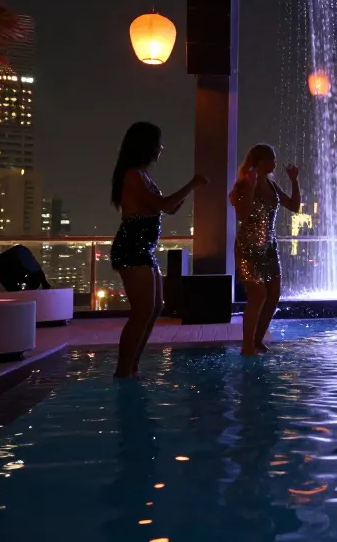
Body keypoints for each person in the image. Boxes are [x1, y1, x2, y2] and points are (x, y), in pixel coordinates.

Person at [109, 122, 206, 378]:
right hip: (132, 247)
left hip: (144, 248)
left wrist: (188, 190)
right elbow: (163, 204)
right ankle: (123, 370)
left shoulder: (143, 175)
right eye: (158, 143)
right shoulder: (132, 175)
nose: (161, 148)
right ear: (146, 146)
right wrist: (192, 184)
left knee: (155, 308)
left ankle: (132, 366)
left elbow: (169, 207)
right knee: (142, 311)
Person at [230, 144, 300, 356]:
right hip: (249, 246)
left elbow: (294, 206)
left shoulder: (271, 184)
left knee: (274, 294)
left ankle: (258, 339)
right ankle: (247, 345)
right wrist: (251, 184)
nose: (274, 163)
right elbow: (242, 214)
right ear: (258, 162)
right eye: (270, 159)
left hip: (269, 246)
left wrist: (294, 181)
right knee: (258, 295)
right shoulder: (243, 185)